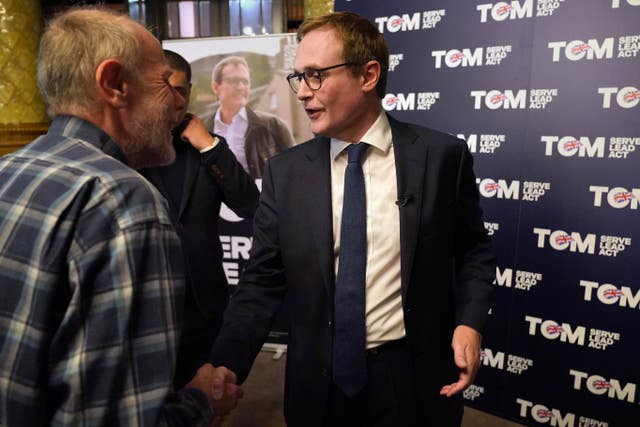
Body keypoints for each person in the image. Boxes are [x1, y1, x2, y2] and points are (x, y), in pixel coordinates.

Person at [209, 11, 497, 427]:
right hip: (317, 386)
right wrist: (227, 360)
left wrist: (469, 323)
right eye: (298, 78)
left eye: (315, 75)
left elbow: (473, 251)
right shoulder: (285, 172)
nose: (303, 93)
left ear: (368, 75)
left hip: (412, 380)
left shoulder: (440, 157)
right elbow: (262, 280)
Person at [0, 8, 241, 426]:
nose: (177, 102)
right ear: (114, 84)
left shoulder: (9, 169)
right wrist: (203, 402)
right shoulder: (125, 202)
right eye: (164, 82)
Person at [140, 50, 260, 389]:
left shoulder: (210, 148)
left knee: (206, 397)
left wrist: (209, 147)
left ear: (191, 91)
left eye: (181, 90)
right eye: (165, 89)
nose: (174, 100)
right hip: (150, 304)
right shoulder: (127, 150)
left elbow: (251, 205)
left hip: (205, 305)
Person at [201, 55, 296, 180]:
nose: (241, 87)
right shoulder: (201, 128)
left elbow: (295, 170)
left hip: (262, 198)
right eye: (234, 81)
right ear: (215, 87)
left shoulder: (274, 126)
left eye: (245, 82)